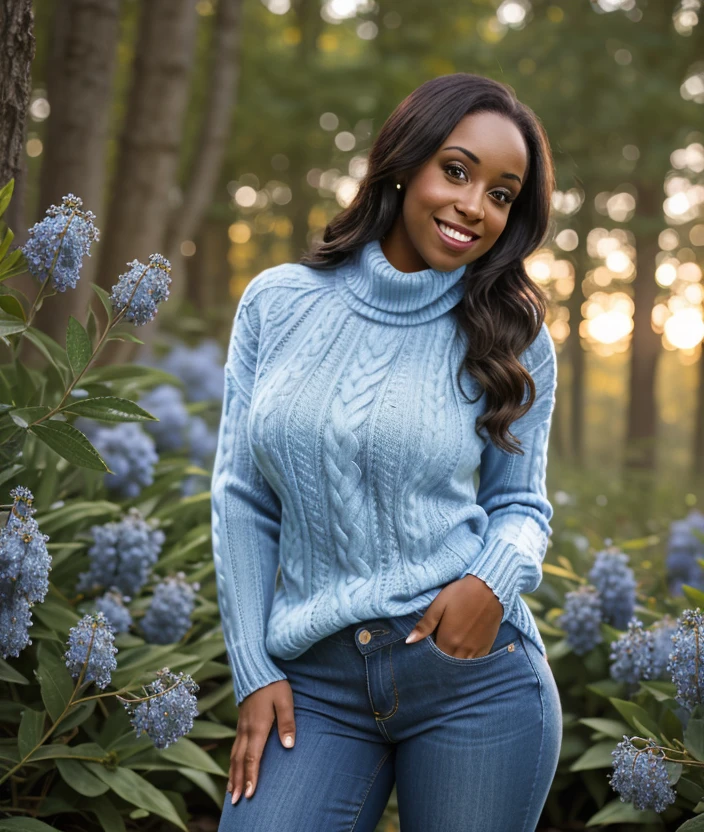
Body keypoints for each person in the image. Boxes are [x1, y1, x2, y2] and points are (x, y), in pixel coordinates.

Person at [212, 72, 562, 832]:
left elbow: (521, 505)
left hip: (473, 677)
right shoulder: (278, 303)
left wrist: (490, 585)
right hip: (313, 685)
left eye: (503, 194)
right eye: (458, 170)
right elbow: (241, 496)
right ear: (404, 162)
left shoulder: (514, 337)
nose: (475, 207)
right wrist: (253, 668)